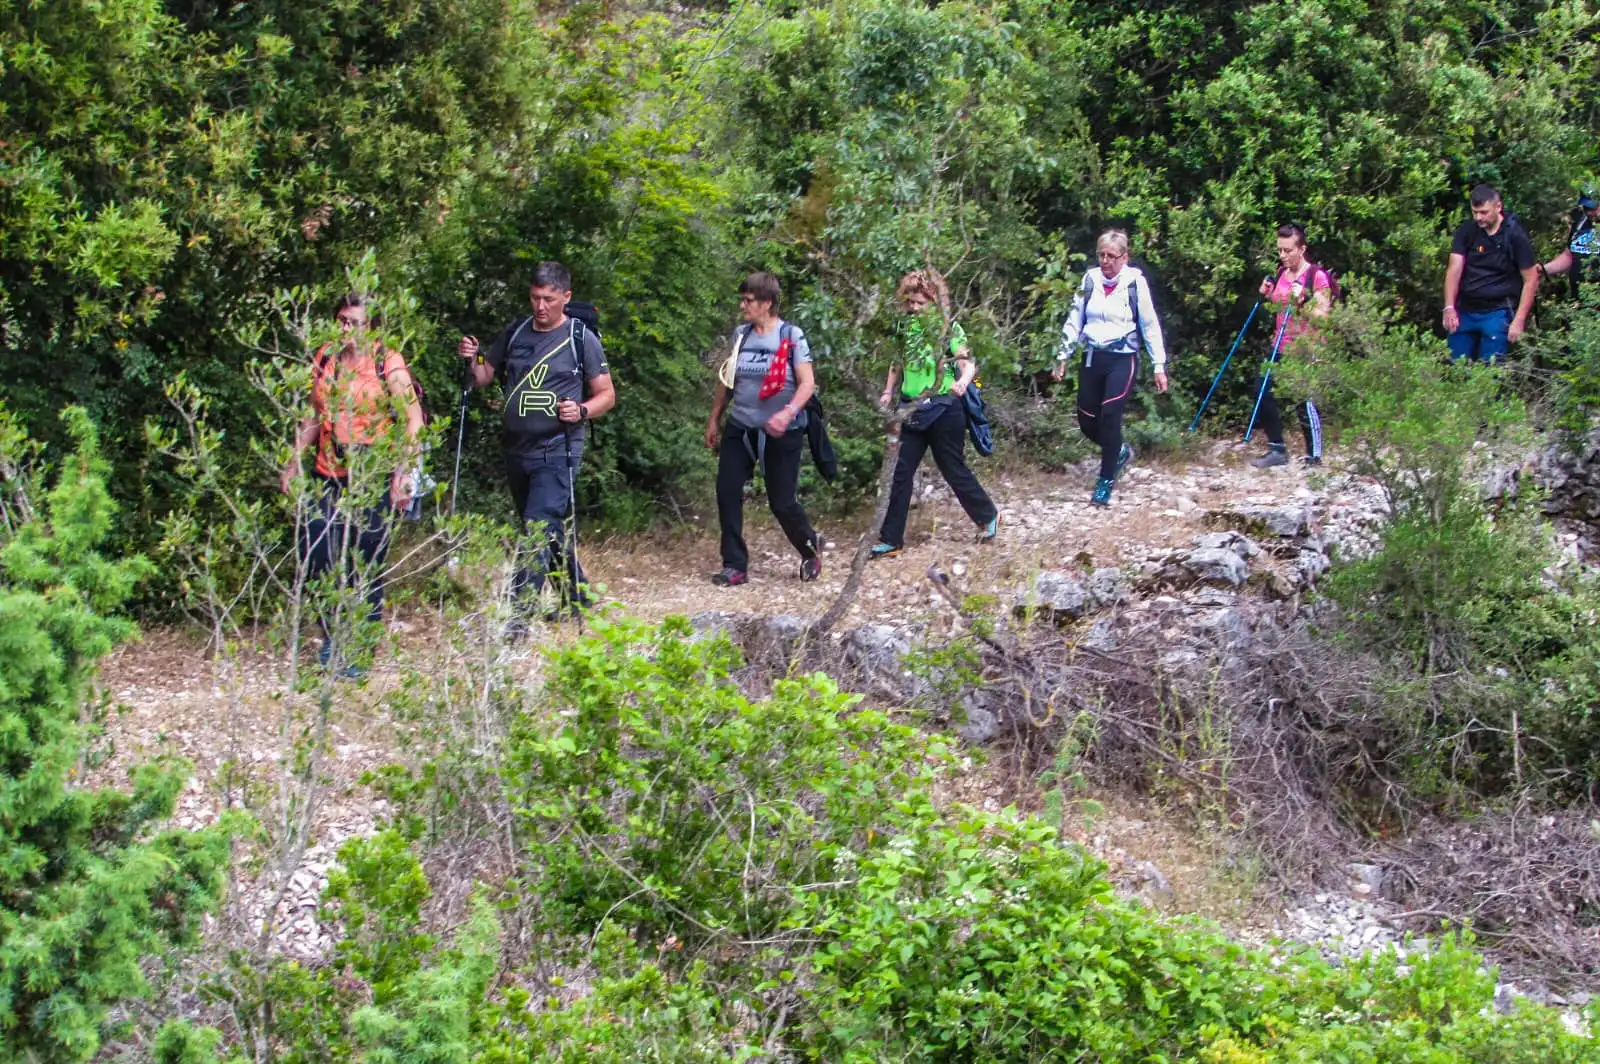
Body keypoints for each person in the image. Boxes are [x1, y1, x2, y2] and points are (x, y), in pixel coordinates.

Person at [457, 261, 616, 623]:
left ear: (566, 297)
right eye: (534, 298)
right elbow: (483, 376)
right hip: (516, 449)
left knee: (536, 530)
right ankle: (579, 599)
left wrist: (582, 410)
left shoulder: (580, 338)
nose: (540, 306)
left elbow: (606, 394)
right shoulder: (516, 331)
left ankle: (517, 620)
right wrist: (473, 357)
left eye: (548, 299)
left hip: (558, 449)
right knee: (547, 530)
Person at [280, 293, 424, 671]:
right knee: (316, 552)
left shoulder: (388, 364)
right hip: (329, 470)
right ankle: (332, 636)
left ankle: (358, 651)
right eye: (342, 320)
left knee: (366, 561)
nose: (347, 329)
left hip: (373, 472)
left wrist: (404, 473)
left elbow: (413, 420)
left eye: (356, 322)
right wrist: (293, 461)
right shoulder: (325, 358)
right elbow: (315, 413)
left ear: (371, 327)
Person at [869, 269, 998, 558]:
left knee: (952, 466)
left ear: (934, 302)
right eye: (910, 302)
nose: (914, 308)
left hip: (944, 405)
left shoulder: (947, 328)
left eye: (920, 303)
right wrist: (888, 391)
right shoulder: (903, 327)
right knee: (899, 471)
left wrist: (964, 381)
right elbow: (896, 362)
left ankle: (987, 516)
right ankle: (891, 539)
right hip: (911, 406)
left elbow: (966, 360)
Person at [704, 271, 822, 586]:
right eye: (742, 300)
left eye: (749, 301)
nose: (743, 306)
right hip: (741, 425)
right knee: (727, 491)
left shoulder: (790, 335)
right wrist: (715, 417)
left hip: (783, 431)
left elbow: (807, 383)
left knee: (781, 502)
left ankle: (810, 548)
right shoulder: (741, 335)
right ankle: (735, 565)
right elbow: (727, 379)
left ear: (767, 303)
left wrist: (787, 413)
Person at [1052, 229, 1169, 507]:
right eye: (1101, 255)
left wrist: (1159, 364)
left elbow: (1149, 323)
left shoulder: (1133, 283)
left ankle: (1104, 483)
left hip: (1122, 357)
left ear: (1124, 257)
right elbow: (1074, 318)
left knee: (1110, 416)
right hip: (1093, 356)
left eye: (1111, 256)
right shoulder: (1090, 279)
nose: (1105, 261)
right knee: (1086, 420)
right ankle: (1118, 452)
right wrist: (1062, 356)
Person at [1250, 223, 1333, 469]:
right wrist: (1265, 294)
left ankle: (1314, 456)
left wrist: (1304, 301)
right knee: (1261, 391)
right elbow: (1275, 306)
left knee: (1303, 402)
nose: (1283, 256)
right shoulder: (1280, 273)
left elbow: (1324, 317)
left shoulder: (1316, 276)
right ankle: (1277, 449)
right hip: (1279, 343)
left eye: (1288, 251)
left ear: (1302, 249)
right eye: (1280, 251)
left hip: (1307, 348)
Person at [1442, 184, 1538, 364]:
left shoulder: (1515, 235)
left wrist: (1519, 320)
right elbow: (1454, 269)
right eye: (1475, 212)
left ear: (1498, 207)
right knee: (1455, 366)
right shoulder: (1467, 232)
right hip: (1466, 308)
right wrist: (1449, 307)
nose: (1479, 217)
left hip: (1498, 311)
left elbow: (1531, 279)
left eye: (1484, 212)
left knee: (1491, 370)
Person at [1539, 189, 1599, 300]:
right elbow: (1569, 255)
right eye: (1586, 208)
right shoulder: (1580, 221)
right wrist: (1544, 269)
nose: (1588, 212)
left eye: (1592, 208)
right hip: (1578, 303)